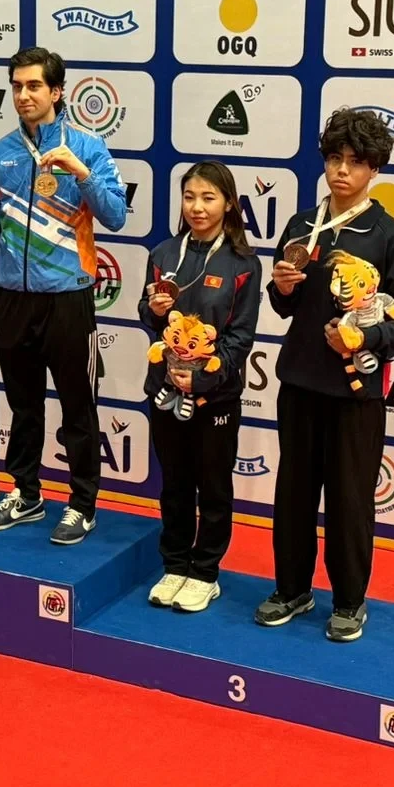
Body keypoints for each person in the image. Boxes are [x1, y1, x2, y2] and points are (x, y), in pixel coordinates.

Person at [256, 108, 394, 642]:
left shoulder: (390, 236)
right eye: (335, 158)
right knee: (293, 494)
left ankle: (350, 601)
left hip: (356, 392)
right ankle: (292, 589)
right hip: (299, 383)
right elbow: (286, 307)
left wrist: (367, 339)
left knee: (350, 501)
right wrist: (280, 289)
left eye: (355, 162)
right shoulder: (301, 226)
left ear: (374, 169)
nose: (342, 171)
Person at [0, 47, 127, 545]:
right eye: (17, 86)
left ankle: (82, 504)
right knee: (23, 406)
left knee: (78, 407)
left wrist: (81, 173)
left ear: (56, 91)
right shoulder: (1, 152)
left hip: (67, 295)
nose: (23, 95)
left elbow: (115, 216)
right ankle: (26, 493)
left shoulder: (87, 145)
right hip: (10, 296)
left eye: (34, 86)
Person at [139, 161, 261, 613]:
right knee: (174, 484)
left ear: (228, 203)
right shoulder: (163, 253)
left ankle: (205, 572)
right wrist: (153, 310)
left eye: (209, 198)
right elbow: (149, 318)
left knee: (212, 487)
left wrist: (204, 376)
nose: (197, 207)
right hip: (165, 389)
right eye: (189, 197)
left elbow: (240, 337)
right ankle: (174, 565)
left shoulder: (243, 263)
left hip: (216, 396)